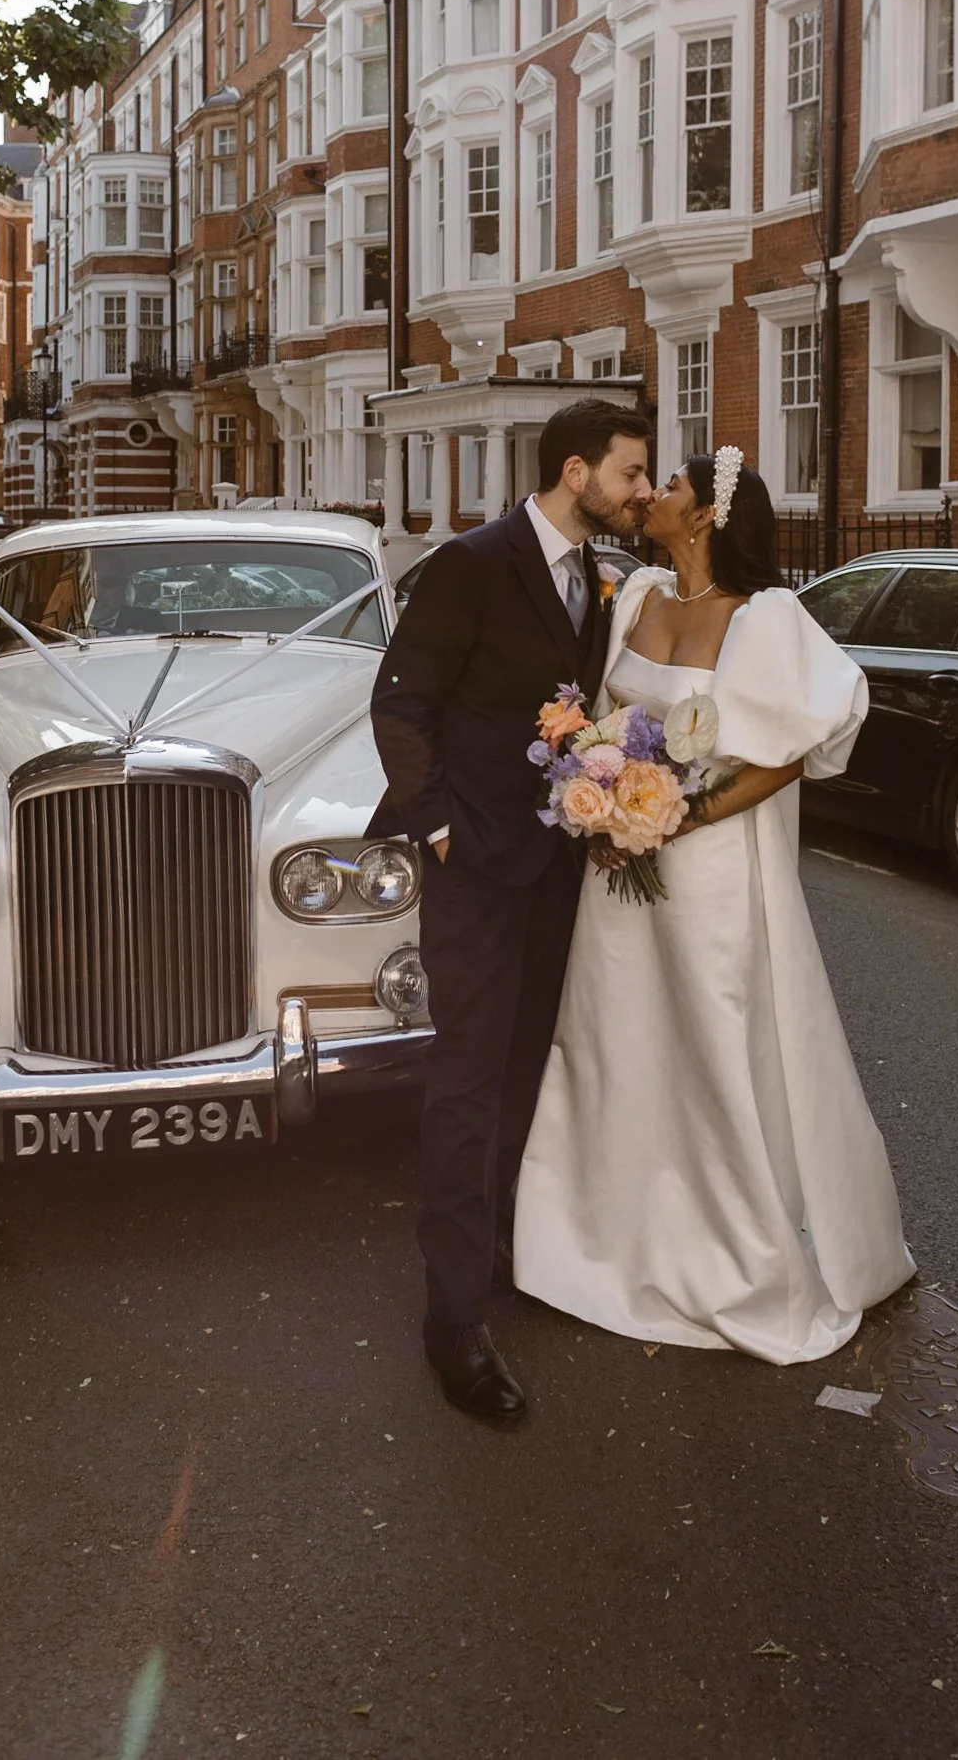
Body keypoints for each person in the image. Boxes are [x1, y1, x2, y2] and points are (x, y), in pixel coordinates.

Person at [513, 448, 915, 1362]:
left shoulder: (765, 617)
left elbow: (788, 751)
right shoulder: (643, 597)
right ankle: (593, 1240)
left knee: (713, 1043)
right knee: (616, 1040)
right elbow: (603, 722)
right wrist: (602, 788)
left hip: (713, 874)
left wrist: (682, 816)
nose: (652, 496)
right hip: (620, 874)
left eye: (674, 489)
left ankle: (739, 1258)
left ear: (706, 519)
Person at [369, 400, 656, 1423]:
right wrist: (439, 829)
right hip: (476, 864)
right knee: (465, 1078)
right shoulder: (472, 561)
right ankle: (450, 1320)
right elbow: (398, 703)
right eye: (629, 473)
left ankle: (496, 1251)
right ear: (575, 472)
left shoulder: (595, 579)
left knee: (525, 1066)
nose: (641, 491)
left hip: (551, 866)